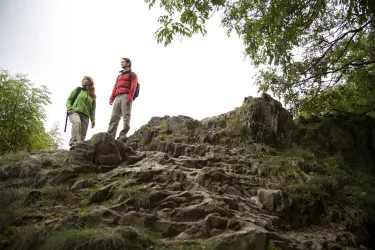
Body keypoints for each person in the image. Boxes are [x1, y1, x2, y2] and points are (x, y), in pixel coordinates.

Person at [107, 57, 138, 141]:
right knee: (114, 116)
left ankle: (122, 135)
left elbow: (133, 86)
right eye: (121, 62)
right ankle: (110, 136)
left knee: (126, 116)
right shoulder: (119, 76)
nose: (121, 63)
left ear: (128, 63)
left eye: (123, 62)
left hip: (126, 96)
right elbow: (115, 87)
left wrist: (130, 97)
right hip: (117, 97)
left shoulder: (133, 74)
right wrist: (111, 98)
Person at [66, 76, 96, 149]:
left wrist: (93, 120)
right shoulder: (78, 90)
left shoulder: (93, 96)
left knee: (82, 134)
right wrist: (69, 108)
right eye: (82, 79)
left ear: (89, 81)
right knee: (77, 122)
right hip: (74, 111)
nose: (82, 80)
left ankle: (78, 148)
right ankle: (74, 142)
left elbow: (93, 109)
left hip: (86, 115)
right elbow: (69, 99)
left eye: (84, 79)